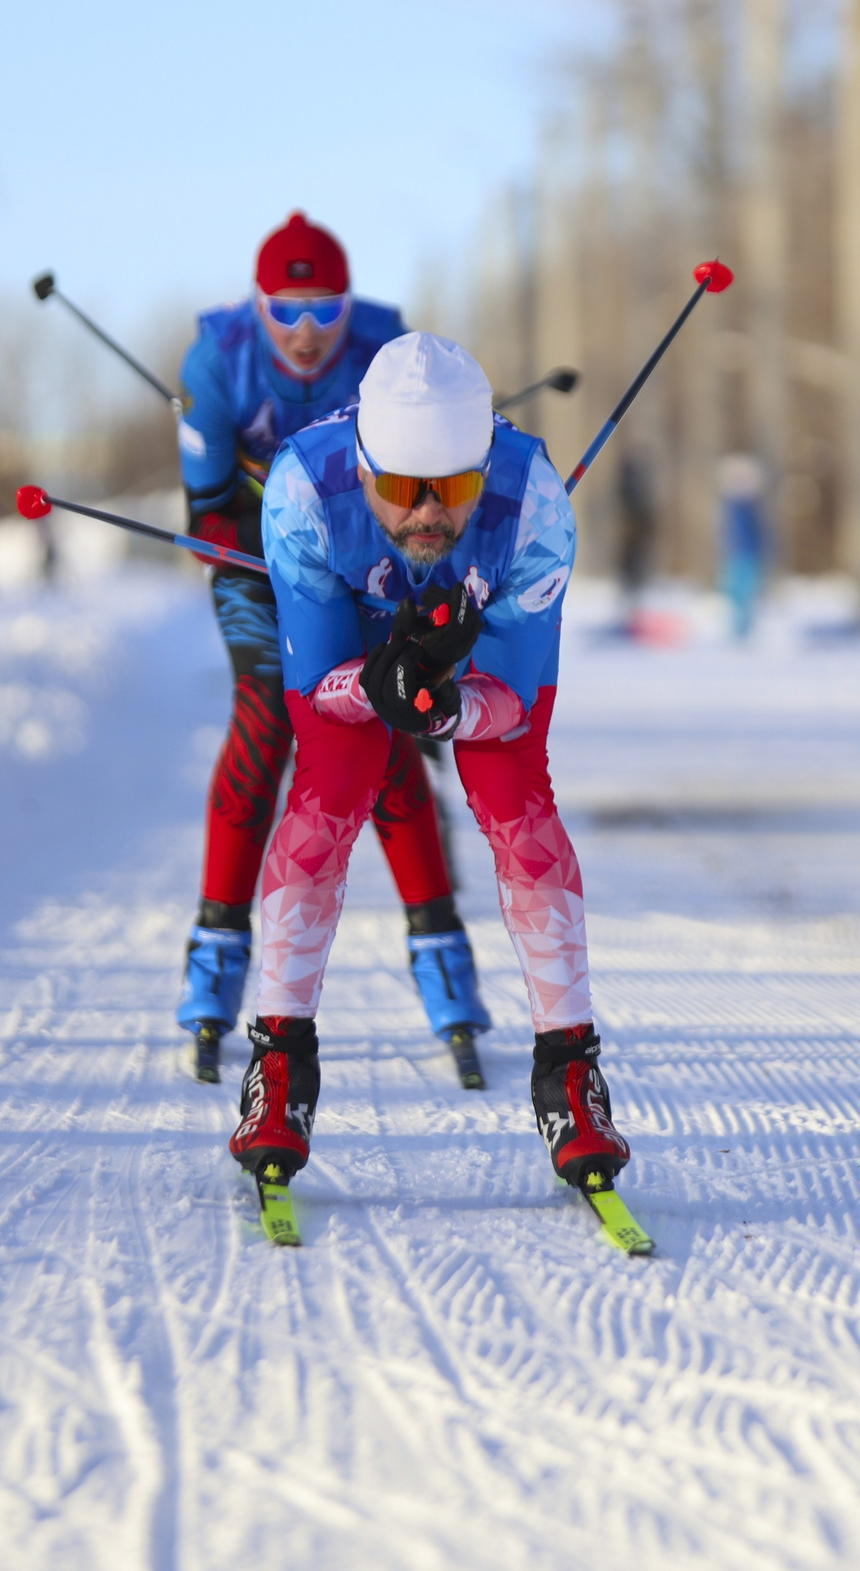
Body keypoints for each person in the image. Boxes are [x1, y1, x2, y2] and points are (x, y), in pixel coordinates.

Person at [226, 332, 633, 1196]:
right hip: (351, 630)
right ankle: (280, 1062)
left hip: (476, 642)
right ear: (364, 468)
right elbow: (315, 695)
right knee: (328, 798)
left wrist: (445, 701)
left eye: (452, 489)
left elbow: (513, 710)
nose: (427, 514)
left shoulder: (532, 506)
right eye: (404, 489)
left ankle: (570, 1068)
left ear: (483, 467)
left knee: (518, 806)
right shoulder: (302, 490)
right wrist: (380, 683)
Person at [174, 212, 484, 1084]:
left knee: (380, 727)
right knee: (269, 721)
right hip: (257, 563)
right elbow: (205, 520)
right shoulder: (216, 362)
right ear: (256, 304)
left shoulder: (388, 352)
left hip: (361, 560)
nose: (307, 332)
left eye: (325, 308)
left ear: (352, 306)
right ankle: (215, 963)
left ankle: (445, 968)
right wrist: (258, 512)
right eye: (285, 307)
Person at [719, 453, 766, 641]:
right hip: (735, 553)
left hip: (747, 553)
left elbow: (759, 532)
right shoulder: (732, 504)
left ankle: (743, 630)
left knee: (745, 593)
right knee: (735, 593)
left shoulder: (751, 505)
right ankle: (738, 629)